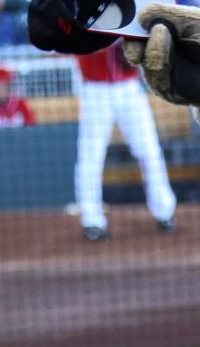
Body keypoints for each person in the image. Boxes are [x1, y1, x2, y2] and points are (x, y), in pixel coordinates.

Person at [74, 43, 177, 240]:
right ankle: (92, 220)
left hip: (128, 86)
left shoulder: (129, 11)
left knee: (149, 150)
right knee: (90, 156)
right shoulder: (83, 12)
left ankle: (164, 211)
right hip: (95, 88)